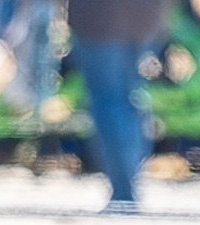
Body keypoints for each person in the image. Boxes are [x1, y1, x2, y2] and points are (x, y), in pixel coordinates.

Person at [67, 0, 172, 205]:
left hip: (98, 21)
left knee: (108, 102)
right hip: (146, 18)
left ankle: (123, 188)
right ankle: (130, 180)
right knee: (129, 99)